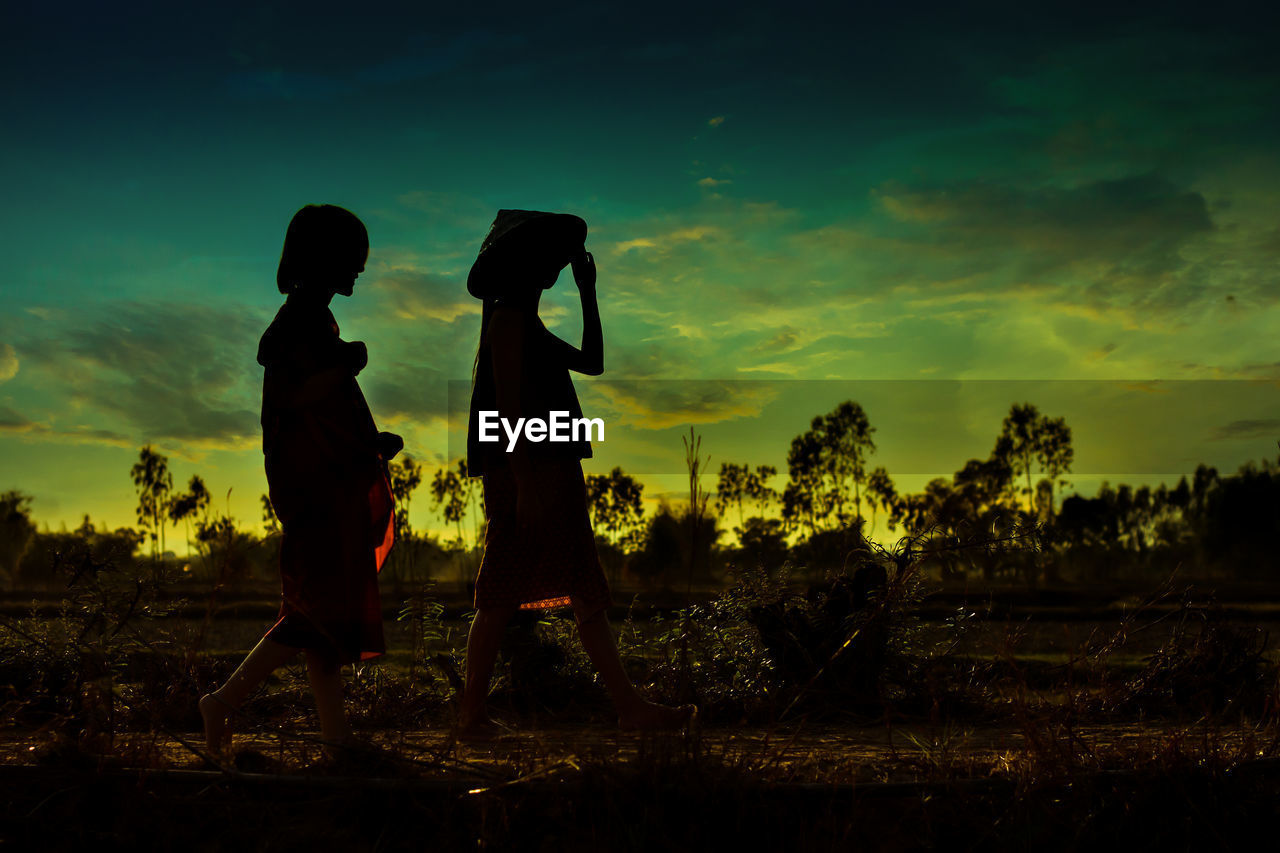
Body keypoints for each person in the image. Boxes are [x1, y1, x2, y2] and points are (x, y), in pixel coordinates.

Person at [458, 209, 695, 738]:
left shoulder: (529, 323)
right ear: (528, 269)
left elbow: (593, 361)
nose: (558, 270)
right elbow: (511, 411)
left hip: (550, 470)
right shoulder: (510, 321)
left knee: (578, 589)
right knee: (500, 594)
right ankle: (472, 713)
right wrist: (524, 485)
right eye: (551, 262)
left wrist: (589, 291)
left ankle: (627, 707)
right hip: (531, 473)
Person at [199, 204, 400, 757]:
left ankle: (336, 740)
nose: (359, 269)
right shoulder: (298, 324)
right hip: (313, 490)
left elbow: (323, 414)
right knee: (314, 610)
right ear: (325, 258)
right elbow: (300, 397)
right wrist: (347, 364)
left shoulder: (315, 319)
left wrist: (369, 444)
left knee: (321, 616)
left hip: (323, 481)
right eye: (353, 259)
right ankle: (224, 700)